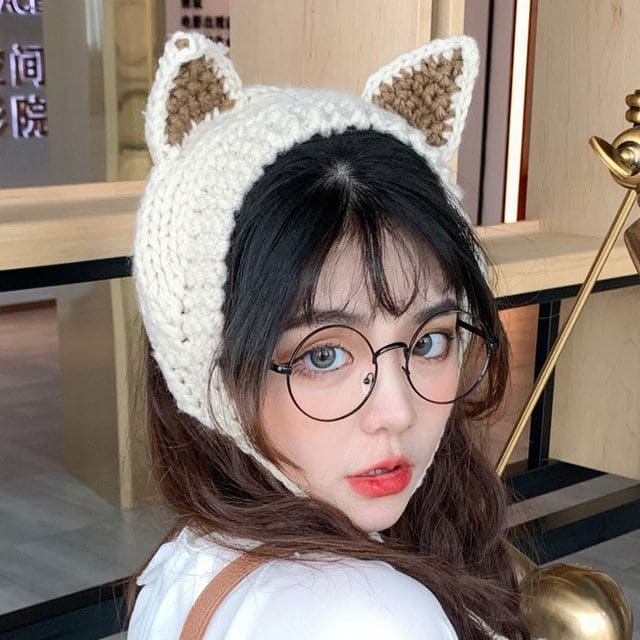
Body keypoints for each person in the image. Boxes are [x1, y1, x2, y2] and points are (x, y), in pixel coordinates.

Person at [129, 31, 530, 639]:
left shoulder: (190, 557)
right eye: (324, 355)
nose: (396, 412)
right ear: (210, 368)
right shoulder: (367, 615)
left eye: (429, 342)